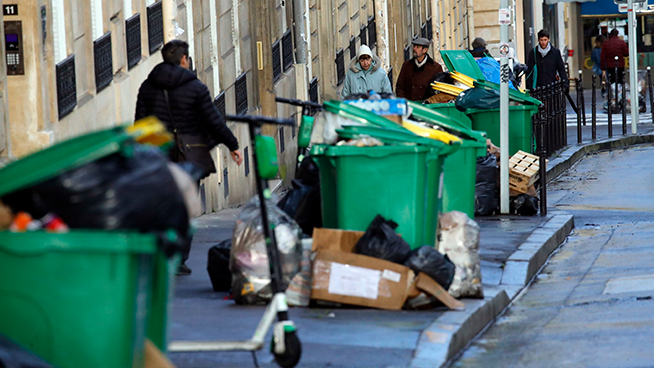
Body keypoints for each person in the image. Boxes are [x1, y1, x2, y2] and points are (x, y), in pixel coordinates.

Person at [135, 40, 243, 276]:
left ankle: (161, 253)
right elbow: (212, 120)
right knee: (186, 205)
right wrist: (232, 145)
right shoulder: (195, 88)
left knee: (161, 204)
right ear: (184, 59)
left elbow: (140, 125)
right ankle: (179, 257)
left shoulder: (147, 87)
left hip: (159, 156)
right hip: (189, 156)